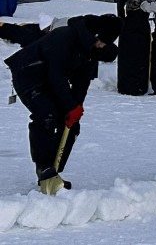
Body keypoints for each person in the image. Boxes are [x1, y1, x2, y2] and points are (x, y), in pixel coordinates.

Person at [4, 14, 120, 192]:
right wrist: (70, 105)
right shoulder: (65, 36)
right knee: (47, 115)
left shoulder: (91, 49)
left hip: (47, 79)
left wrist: (76, 108)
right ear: (96, 34)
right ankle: (44, 168)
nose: (102, 46)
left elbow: (81, 83)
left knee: (71, 125)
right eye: (102, 41)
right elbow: (56, 75)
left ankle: (54, 170)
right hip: (27, 73)